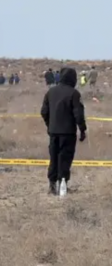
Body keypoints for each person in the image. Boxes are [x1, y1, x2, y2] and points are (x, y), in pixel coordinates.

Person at [41, 67, 87, 195]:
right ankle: (63, 186)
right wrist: (82, 130)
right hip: (68, 133)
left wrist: (50, 125)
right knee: (65, 159)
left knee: (54, 158)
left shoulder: (50, 92)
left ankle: (52, 186)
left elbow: (44, 112)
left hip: (53, 132)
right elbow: (78, 115)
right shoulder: (74, 94)